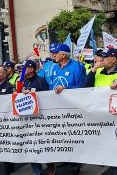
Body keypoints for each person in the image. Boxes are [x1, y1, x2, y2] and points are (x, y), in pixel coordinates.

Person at [85, 48, 117, 175]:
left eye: (105, 57)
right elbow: (84, 88)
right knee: (107, 151)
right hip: (101, 119)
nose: (102, 60)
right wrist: (93, 70)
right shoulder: (97, 73)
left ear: (113, 59)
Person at [49, 43, 86, 174]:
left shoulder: (78, 67)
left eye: (55, 53)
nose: (52, 55)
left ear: (63, 55)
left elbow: (83, 87)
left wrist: (67, 89)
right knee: (62, 136)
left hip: (73, 109)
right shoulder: (54, 68)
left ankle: (75, 165)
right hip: (58, 109)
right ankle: (65, 158)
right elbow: (51, 86)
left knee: (73, 136)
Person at [19, 60, 56, 175]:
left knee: (43, 144)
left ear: (31, 69)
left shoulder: (41, 80)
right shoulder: (22, 81)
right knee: (30, 146)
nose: (22, 71)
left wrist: (32, 95)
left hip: (40, 119)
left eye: (24, 68)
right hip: (27, 119)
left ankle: (50, 165)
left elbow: (46, 98)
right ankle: (36, 170)